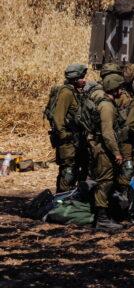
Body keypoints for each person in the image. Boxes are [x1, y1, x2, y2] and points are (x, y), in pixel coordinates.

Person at [83, 74, 125, 231]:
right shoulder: (107, 107)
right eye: (119, 88)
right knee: (105, 182)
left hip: (102, 148)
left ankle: (102, 216)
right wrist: (116, 153)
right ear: (114, 89)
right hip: (104, 150)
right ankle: (101, 219)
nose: (121, 91)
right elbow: (107, 133)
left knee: (105, 181)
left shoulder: (104, 103)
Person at [46, 64, 87, 193]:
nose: (84, 80)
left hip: (73, 139)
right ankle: (61, 202)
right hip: (67, 141)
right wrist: (64, 135)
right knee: (68, 172)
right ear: (75, 79)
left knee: (72, 170)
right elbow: (59, 118)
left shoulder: (74, 92)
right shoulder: (66, 93)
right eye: (81, 77)